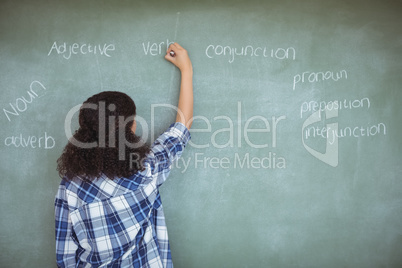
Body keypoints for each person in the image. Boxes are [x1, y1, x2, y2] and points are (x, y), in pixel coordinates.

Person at [55, 43, 193, 267]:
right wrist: (186, 70)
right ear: (132, 127)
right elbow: (181, 130)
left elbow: (66, 254)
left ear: (85, 132)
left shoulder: (70, 185)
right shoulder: (146, 171)